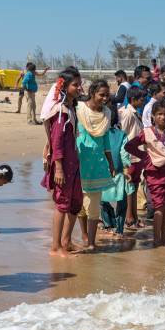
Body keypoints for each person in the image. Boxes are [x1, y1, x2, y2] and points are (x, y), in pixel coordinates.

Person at [41, 70, 83, 257]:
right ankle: (55, 247)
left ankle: (66, 241)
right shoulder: (60, 112)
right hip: (63, 166)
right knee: (62, 204)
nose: (79, 87)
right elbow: (57, 141)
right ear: (64, 87)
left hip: (73, 164)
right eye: (75, 84)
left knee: (75, 203)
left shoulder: (71, 108)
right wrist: (58, 167)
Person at [125, 100, 165, 247]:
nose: (163, 117)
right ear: (153, 116)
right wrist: (145, 157)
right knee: (159, 207)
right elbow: (129, 145)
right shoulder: (147, 132)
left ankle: (163, 239)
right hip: (155, 174)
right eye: (159, 114)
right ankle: (156, 239)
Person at [75, 80, 116, 252]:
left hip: (97, 165)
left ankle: (91, 242)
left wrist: (111, 162)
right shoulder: (78, 109)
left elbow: (106, 141)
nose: (105, 98)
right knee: (79, 206)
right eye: (102, 94)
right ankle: (84, 235)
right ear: (92, 92)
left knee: (93, 206)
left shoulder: (107, 113)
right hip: (78, 162)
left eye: (107, 95)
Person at [101, 100, 134, 239]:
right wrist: (128, 168)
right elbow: (124, 154)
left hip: (101, 172)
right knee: (121, 200)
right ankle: (119, 230)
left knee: (102, 199)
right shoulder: (121, 135)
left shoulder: (99, 133)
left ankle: (108, 224)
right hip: (119, 172)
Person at [119, 87, 146, 229]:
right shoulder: (127, 113)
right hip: (130, 156)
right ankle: (129, 217)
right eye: (141, 99)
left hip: (137, 155)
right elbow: (122, 134)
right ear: (133, 100)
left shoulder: (135, 113)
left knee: (134, 186)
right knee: (129, 187)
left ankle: (134, 216)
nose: (143, 102)